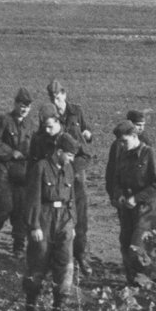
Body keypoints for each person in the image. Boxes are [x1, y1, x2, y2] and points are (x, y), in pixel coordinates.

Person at [24, 107, 78, 311]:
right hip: (44, 218)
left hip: (63, 220)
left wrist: (72, 223)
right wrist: (34, 225)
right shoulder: (41, 168)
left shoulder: (69, 169)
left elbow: (72, 197)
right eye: (70, 154)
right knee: (39, 260)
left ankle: (58, 309)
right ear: (59, 151)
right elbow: (33, 198)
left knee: (65, 265)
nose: (71, 159)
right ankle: (31, 303)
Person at [107, 120, 156, 285]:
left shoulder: (149, 154)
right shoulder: (123, 156)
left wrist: (137, 198)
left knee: (140, 248)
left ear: (134, 136)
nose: (122, 145)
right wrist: (118, 195)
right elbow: (116, 180)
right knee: (126, 245)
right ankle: (133, 284)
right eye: (120, 142)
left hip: (148, 210)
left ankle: (154, 283)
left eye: (124, 141)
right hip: (128, 209)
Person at [44, 79, 93, 276]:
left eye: (58, 97)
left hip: (77, 172)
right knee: (58, 214)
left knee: (81, 216)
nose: (56, 102)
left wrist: (88, 134)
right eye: (52, 99)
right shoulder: (51, 117)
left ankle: (82, 255)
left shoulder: (76, 111)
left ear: (64, 94)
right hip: (58, 173)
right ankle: (57, 258)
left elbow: (86, 139)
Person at [0, 88, 34, 254]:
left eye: (27, 106)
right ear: (15, 104)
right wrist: (10, 152)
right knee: (4, 205)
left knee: (20, 208)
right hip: (4, 169)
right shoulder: (5, 120)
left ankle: (18, 246)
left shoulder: (30, 124)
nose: (24, 109)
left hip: (21, 171)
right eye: (21, 105)